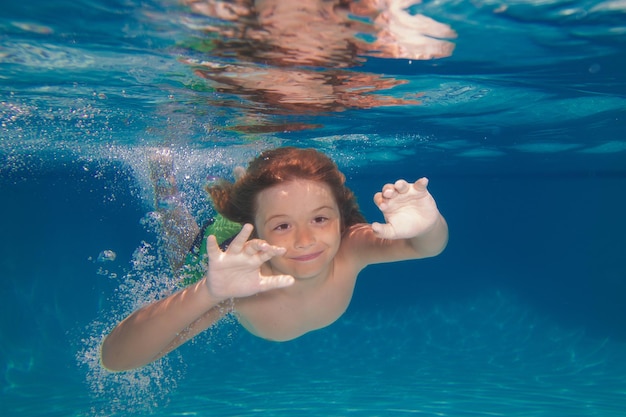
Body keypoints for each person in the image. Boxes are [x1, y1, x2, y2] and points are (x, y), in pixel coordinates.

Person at [100, 147, 448, 371]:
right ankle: (165, 183)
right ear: (260, 233)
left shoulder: (349, 247)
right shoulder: (241, 285)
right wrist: (207, 291)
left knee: (253, 205)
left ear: (341, 219)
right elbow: (116, 359)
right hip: (231, 246)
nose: (306, 239)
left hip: (253, 223)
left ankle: (250, 191)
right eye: (284, 226)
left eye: (320, 219)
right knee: (185, 258)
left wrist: (428, 225)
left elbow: (426, 247)